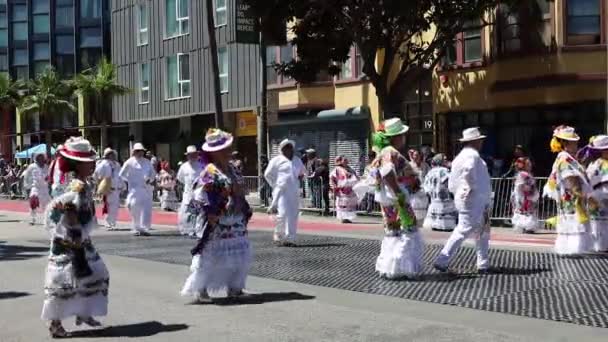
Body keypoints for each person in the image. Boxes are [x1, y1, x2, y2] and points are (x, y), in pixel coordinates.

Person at [41, 137, 109, 338]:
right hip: (71, 240)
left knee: (95, 275)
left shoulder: (79, 183)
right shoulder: (76, 185)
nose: (92, 164)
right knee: (63, 283)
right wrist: (74, 234)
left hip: (80, 238)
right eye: (88, 161)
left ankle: (84, 312)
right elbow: (68, 209)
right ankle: (55, 324)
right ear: (78, 163)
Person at [181, 129, 252, 301]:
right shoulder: (209, 172)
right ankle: (201, 289)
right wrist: (212, 210)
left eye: (228, 149)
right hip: (218, 219)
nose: (228, 152)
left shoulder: (233, 169)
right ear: (214, 153)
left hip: (235, 217)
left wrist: (241, 198)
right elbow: (198, 197)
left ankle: (235, 287)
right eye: (224, 150)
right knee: (211, 255)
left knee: (239, 253)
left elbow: (241, 188)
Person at [357, 118, 424, 279]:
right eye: (402, 135)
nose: (404, 138)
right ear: (396, 137)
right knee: (409, 230)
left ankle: (388, 267)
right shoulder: (390, 152)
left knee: (393, 232)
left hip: (387, 200)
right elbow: (387, 172)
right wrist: (398, 192)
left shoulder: (382, 152)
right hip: (398, 199)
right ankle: (400, 266)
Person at [434, 127, 492, 274]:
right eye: (480, 140)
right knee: (465, 230)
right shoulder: (472, 155)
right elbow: (468, 172)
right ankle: (442, 260)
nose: (481, 143)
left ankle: (483, 264)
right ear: (475, 141)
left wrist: (459, 193)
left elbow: (453, 183)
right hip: (474, 199)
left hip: (471, 199)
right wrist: (470, 188)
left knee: (481, 231)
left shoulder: (459, 157)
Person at [543, 125, 592, 256]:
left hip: (570, 199)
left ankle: (571, 250)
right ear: (565, 143)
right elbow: (569, 177)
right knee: (572, 222)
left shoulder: (567, 157)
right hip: (571, 199)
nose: (576, 143)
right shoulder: (564, 158)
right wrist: (579, 193)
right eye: (574, 141)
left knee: (571, 222)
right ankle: (571, 250)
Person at [265, 139, 306, 246]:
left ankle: (290, 238)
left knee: (293, 215)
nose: (288, 149)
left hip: (294, 190)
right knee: (282, 214)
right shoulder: (276, 160)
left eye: (290, 147)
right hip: (282, 191)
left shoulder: (297, 160)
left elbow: (303, 172)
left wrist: (301, 177)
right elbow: (267, 174)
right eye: (286, 147)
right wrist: (276, 185)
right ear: (282, 149)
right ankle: (278, 236)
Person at [119, 143, 156, 236]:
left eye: (141, 151)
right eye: (138, 151)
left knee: (146, 209)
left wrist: (150, 180)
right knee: (133, 206)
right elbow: (121, 174)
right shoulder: (129, 162)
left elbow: (153, 174)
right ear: (134, 152)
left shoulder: (147, 162)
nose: (140, 153)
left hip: (146, 189)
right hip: (134, 189)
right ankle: (136, 227)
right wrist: (129, 181)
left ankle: (144, 228)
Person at [422, 154, 457, 231]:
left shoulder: (430, 172)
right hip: (444, 202)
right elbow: (449, 183)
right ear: (440, 161)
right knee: (446, 226)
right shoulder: (443, 171)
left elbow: (426, 188)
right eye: (444, 159)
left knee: (435, 225)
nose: (447, 160)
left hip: (434, 201)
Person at [586, 135, 608, 252]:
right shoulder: (597, 164)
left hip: (599, 196)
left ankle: (601, 245)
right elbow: (589, 181)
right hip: (597, 196)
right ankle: (599, 246)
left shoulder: (595, 164)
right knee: (598, 223)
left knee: (601, 223)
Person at [177, 145, 204, 237]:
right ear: (187, 156)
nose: (192, 156)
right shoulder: (184, 167)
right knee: (185, 212)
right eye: (190, 155)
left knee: (199, 213)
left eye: (194, 154)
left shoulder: (201, 166)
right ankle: (186, 229)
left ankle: (197, 230)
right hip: (188, 193)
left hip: (199, 193)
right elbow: (180, 179)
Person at [93, 148, 123, 230]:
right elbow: (96, 174)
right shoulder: (103, 164)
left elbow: (120, 176)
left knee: (115, 206)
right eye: (110, 154)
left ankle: (112, 222)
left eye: (113, 154)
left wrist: (122, 185)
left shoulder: (117, 164)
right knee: (108, 206)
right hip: (108, 188)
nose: (112, 155)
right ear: (107, 155)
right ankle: (107, 222)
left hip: (117, 188)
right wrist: (100, 184)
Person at [511, 157, 540, 234]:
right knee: (524, 210)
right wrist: (530, 190)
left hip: (527, 195)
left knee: (528, 210)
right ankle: (526, 226)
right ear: (523, 165)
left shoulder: (527, 174)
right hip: (524, 196)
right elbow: (522, 185)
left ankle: (526, 227)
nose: (530, 165)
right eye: (528, 164)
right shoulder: (523, 174)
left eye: (530, 164)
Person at [22, 152, 50, 225]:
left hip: (44, 189)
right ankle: (32, 219)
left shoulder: (47, 167)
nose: (41, 159)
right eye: (39, 157)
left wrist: (48, 179)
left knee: (46, 205)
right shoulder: (32, 166)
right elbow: (26, 176)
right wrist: (26, 185)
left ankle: (47, 220)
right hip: (35, 188)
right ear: (36, 158)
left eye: (42, 157)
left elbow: (50, 176)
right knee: (33, 202)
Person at [330, 156, 359, 223]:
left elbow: (356, 176)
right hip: (342, 189)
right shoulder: (337, 169)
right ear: (341, 161)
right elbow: (331, 177)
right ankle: (343, 218)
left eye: (346, 160)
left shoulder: (350, 169)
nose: (346, 161)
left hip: (350, 189)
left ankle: (348, 218)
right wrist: (334, 186)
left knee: (350, 204)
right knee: (342, 204)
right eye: (344, 160)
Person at [408, 149, 430, 224]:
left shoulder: (425, 165)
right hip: (413, 189)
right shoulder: (409, 165)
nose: (416, 157)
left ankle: (422, 221)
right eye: (414, 155)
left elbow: (429, 176)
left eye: (417, 155)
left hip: (423, 189)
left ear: (420, 156)